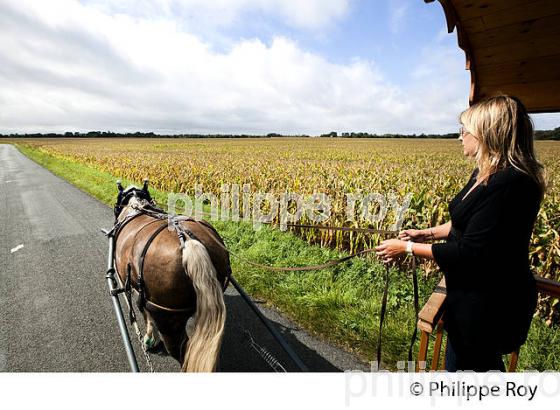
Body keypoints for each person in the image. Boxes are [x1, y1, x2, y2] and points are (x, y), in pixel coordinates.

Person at [375, 95, 547, 371]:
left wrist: (405, 248)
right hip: (471, 297)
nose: (459, 137)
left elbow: (470, 251)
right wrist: (425, 234)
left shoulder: (509, 184)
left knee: (472, 372)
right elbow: (465, 223)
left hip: (489, 305)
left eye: (464, 131)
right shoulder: (486, 174)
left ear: (487, 134)